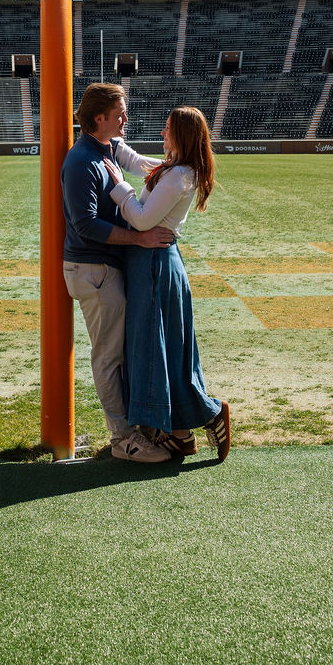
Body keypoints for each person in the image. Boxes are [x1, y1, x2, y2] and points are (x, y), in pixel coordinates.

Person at [104, 105, 230, 462]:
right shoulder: (173, 169)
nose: (162, 133)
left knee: (160, 347)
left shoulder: (179, 176)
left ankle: (207, 413)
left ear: (183, 135)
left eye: (168, 128)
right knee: (166, 349)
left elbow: (142, 221)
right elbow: (130, 157)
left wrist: (119, 188)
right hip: (153, 266)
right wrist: (104, 138)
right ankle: (179, 435)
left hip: (156, 266)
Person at [61, 83, 174, 464]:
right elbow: (85, 225)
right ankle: (122, 440)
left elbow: (137, 161)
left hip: (103, 268)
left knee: (119, 354)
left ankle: (131, 429)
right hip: (93, 269)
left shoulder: (104, 149)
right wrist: (138, 240)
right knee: (109, 357)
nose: (126, 119)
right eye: (120, 113)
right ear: (100, 118)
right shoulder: (82, 162)